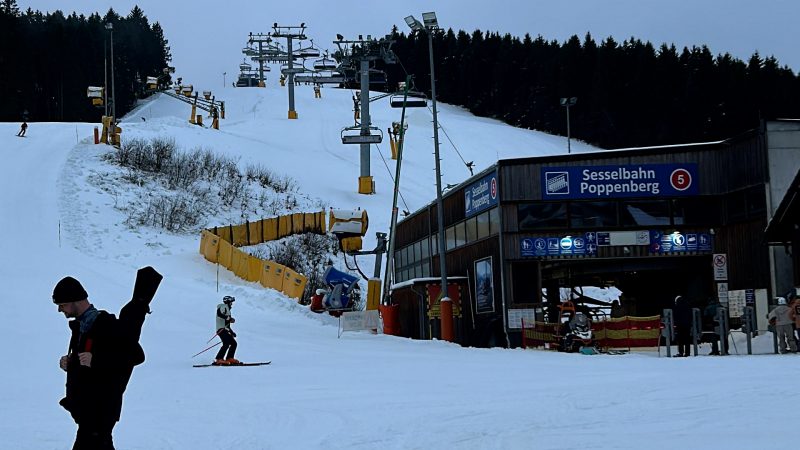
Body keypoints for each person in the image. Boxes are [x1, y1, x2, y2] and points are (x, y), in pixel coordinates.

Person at [54, 275, 153, 450]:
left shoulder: (106, 324)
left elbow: (136, 355)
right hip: (88, 411)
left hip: (100, 410)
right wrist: (72, 363)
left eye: (62, 305)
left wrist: (96, 360)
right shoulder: (81, 326)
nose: (60, 310)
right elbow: (89, 364)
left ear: (75, 300)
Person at [214, 295, 239, 365]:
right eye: (231, 302)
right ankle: (219, 359)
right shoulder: (223, 306)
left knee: (234, 343)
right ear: (228, 302)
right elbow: (219, 314)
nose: (232, 304)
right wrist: (229, 318)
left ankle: (229, 358)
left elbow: (227, 325)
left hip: (225, 330)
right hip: (221, 330)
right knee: (226, 343)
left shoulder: (228, 310)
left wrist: (232, 332)